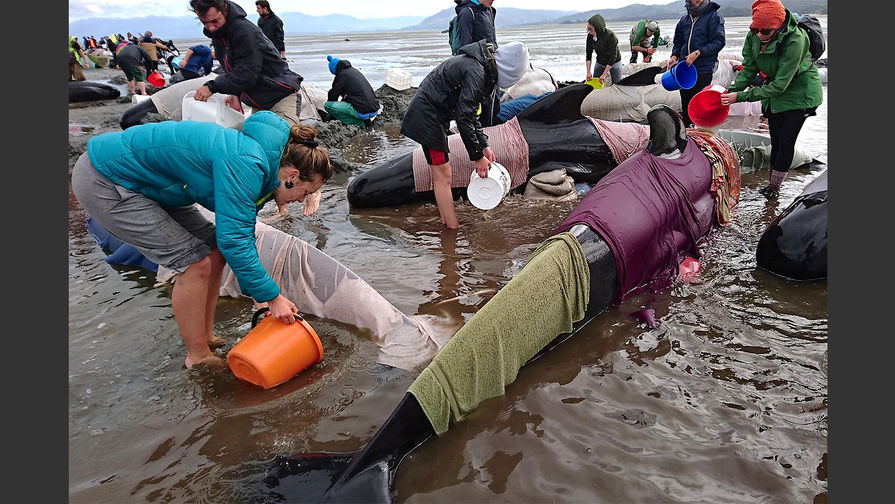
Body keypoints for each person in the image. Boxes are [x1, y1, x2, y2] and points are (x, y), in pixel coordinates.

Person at [71, 111, 334, 369]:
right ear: (292, 177)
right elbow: (235, 241)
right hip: (106, 178)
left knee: (214, 250)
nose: (302, 200)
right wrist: (274, 297)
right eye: (305, 192)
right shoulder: (248, 162)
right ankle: (197, 355)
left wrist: (261, 299)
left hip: (156, 186)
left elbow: (239, 235)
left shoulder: (263, 165)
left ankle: (205, 337)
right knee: (193, 262)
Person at [189, 0, 311, 218]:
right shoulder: (220, 34)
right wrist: (234, 94)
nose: (210, 27)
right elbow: (232, 68)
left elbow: (247, 74)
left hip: (281, 94)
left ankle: (313, 190)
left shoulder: (245, 31)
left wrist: (212, 86)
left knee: (290, 148)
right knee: (261, 157)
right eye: (204, 23)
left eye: (214, 21)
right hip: (259, 100)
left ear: (224, 8)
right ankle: (282, 209)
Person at [400, 40, 529, 229]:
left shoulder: (481, 67)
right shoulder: (477, 72)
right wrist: (477, 157)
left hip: (433, 116)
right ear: (508, 71)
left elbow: (471, 115)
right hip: (427, 118)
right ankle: (452, 228)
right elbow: (464, 118)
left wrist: (483, 145)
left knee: (441, 175)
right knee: (443, 175)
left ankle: (448, 223)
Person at [720, 0, 823, 199]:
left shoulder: (796, 39)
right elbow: (748, 69)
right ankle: (771, 183)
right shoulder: (754, 35)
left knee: (785, 142)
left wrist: (739, 97)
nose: (759, 34)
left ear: (778, 26)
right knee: (775, 140)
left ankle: (774, 189)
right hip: (773, 94)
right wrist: (730, 91)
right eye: (755, 29)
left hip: (800, 94)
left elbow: (780, 85)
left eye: (765, 31)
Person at [667, 0, 726, 127]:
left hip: (703, 68)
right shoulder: (684, 20)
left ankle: (701, 132)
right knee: (686, 102)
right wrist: (674, 55)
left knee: (698, 104)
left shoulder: (713, 16)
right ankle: (688, 133)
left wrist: (698, 53)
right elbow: (678, 41)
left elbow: (719, 41)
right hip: (684, 68)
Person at [454, 0, 501, 126]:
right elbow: (466, 48)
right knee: (481, 110)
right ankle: (479, 141)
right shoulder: (467, 13)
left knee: (495, 105)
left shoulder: (491, 11)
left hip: (492, 66)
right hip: (477, 70)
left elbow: (493, 41)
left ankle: (491, 138)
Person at [323, 55, 381, 129]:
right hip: (374, 109)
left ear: (334, 70)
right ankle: (367, 121)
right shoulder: (354, 71)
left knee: (328, 105)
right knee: (356, 102)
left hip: (362, 111)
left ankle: (358, 124)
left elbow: (333, 96)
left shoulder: (341, 75)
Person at [585, 14, 622, 86]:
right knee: (595, 82)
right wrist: (588, 72)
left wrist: (604, 74)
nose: (589, 32)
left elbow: (613, 57)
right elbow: (588, 55)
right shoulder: (590, 36)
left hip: (614, 61)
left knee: (617, 84)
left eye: (590, 29)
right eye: (588, 29)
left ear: (598, 28)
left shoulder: (610, 36)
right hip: (600, 60)